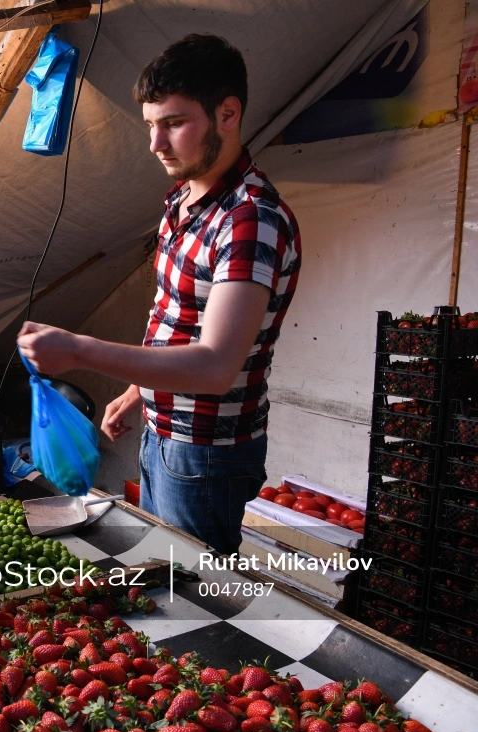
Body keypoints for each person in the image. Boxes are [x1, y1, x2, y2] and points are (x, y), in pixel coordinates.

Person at [17, 34, 300, 554]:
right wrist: (136, 393)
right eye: (151, 124)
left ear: (228, 113)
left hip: (206, 453)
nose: (155, 144)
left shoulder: (250, 220)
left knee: (188, 599)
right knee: (162, 578)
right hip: (165, 434)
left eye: (173, 123)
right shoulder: (183, 201)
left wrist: (79, 350)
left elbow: (215, 365)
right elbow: (179, 319)